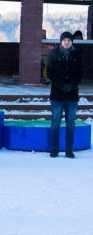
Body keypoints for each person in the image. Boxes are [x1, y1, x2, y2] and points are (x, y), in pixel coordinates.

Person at [47, 31, 84, 159]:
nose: (67, 42)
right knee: (56, 122)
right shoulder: (54, 54)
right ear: (61, 41)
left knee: (71, 122)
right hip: (57, 94)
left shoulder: (77, 54)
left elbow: (80, 73)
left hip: (72, 95)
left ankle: (69, 149)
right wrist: (61, 85)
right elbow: (50, 72)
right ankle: (55, 148)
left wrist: (71, 85)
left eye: (69, 40)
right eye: (64, 40)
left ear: (72, 42)